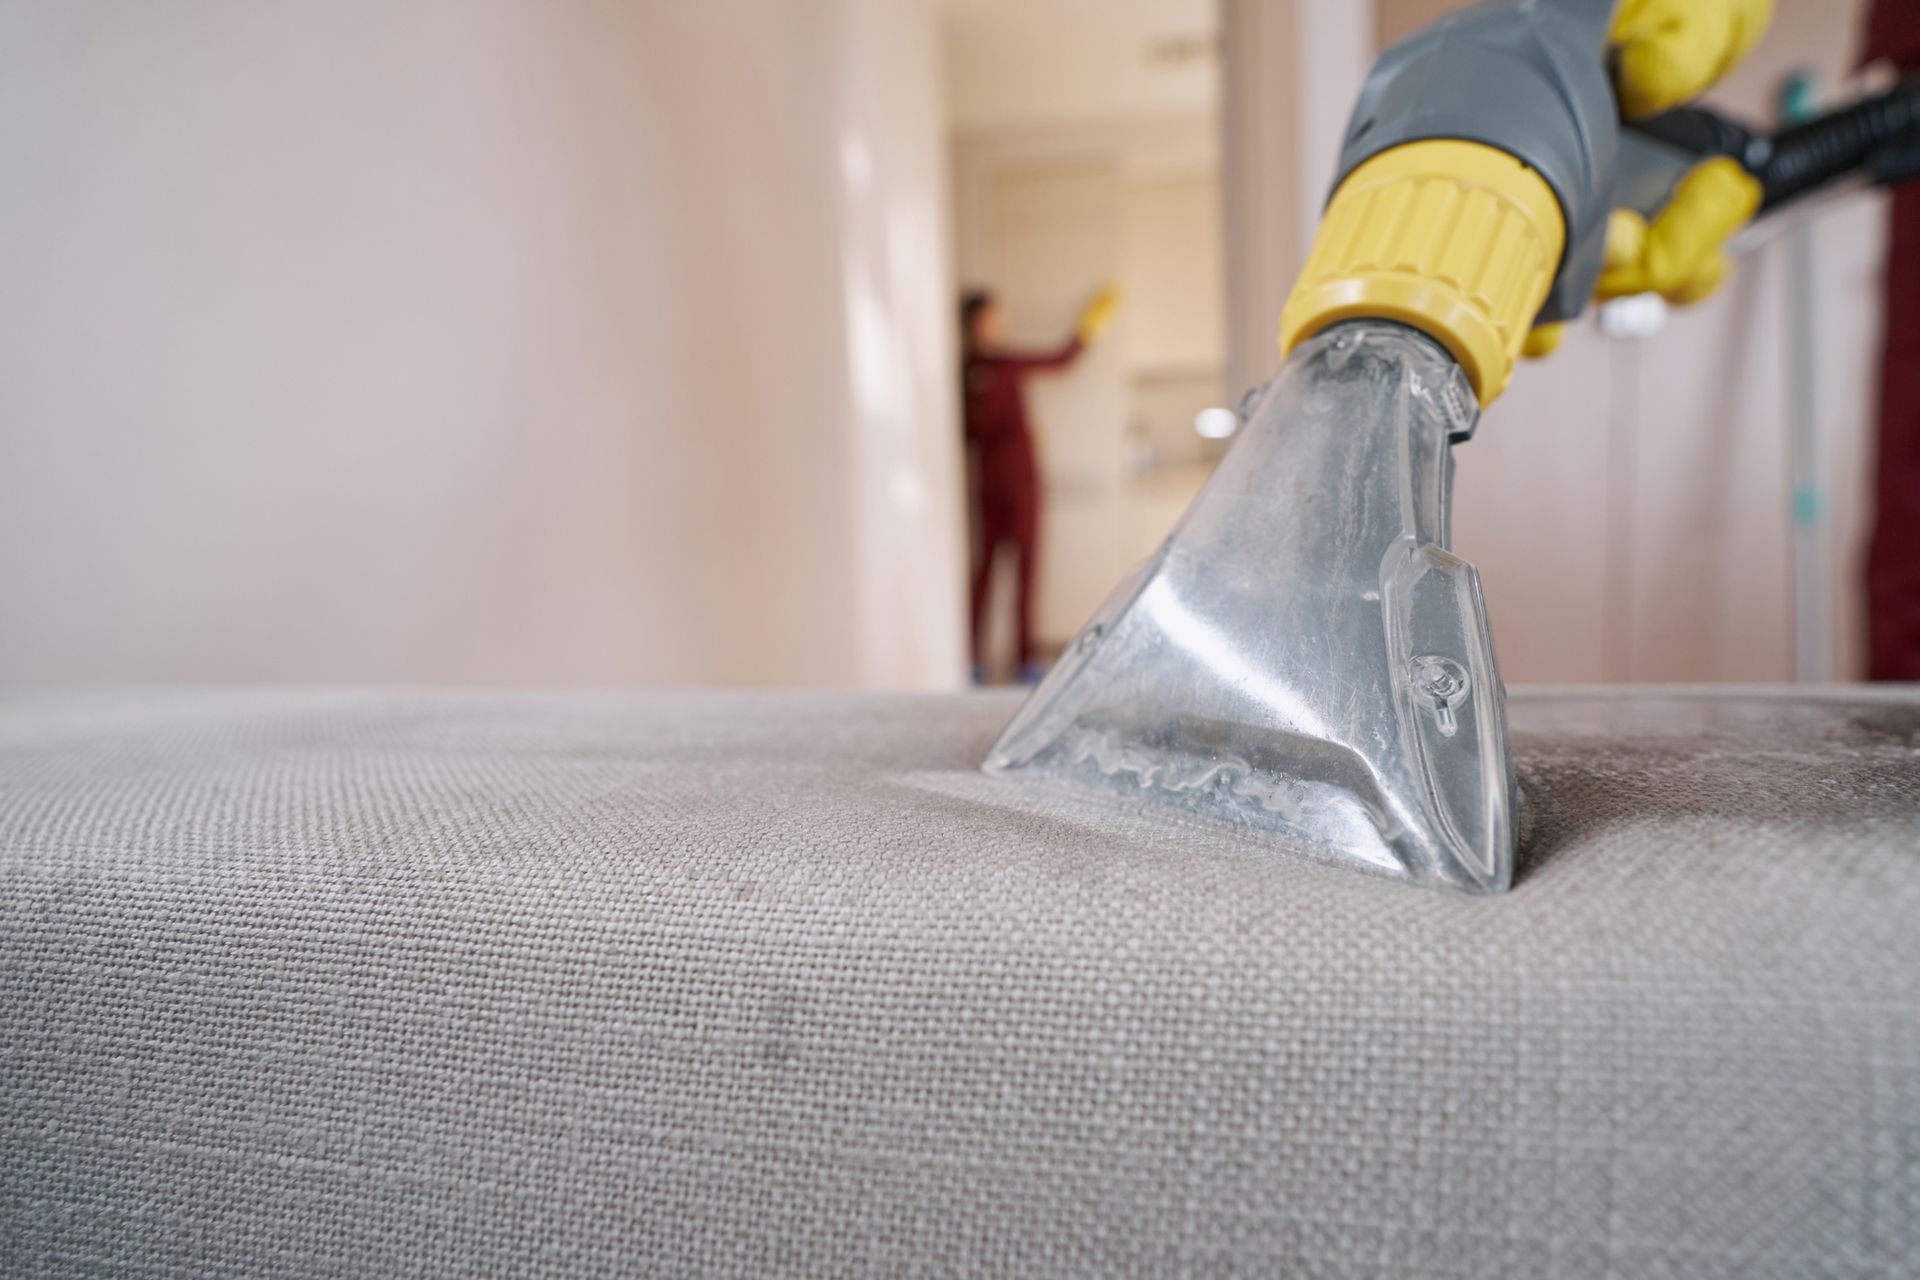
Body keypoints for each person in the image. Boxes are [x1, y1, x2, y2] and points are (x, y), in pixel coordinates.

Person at [960, 286, 1119, 684]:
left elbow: (1061, 359)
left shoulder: (1007, 362)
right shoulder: (969, 373)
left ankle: (1023, 660)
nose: (1000, 325)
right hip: (992, 485)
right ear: (973, 325)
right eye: (992, 319)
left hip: (1022, 481)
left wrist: (1087, 329)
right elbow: (969, 432)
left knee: (1027, 570)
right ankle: (970, 659)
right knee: (986, 572)